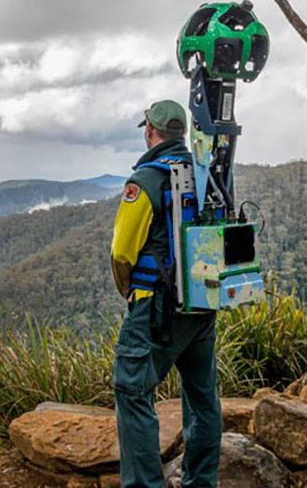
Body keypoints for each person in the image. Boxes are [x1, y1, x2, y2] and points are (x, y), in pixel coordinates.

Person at [110, 99, 221, 488]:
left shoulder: (144, 182)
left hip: (155, 310)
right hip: (202, 301)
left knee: (132, 390)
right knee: (202, 396)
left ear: (150, 131)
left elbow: (122, 252)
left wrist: (130, 294)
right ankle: (201, 481)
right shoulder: (207, 173)